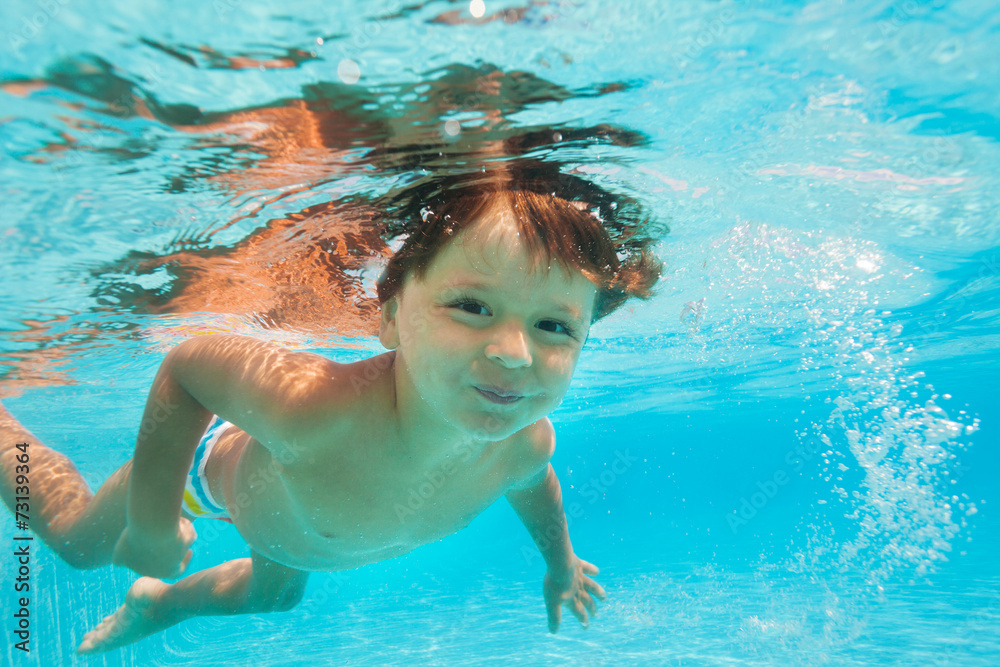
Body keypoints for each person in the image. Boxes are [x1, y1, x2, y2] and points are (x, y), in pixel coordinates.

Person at [0, 167, 663, 654]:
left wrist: (561, 562)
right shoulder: (311, 411)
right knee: (78, 542)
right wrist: (149, 522)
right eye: (472, 306)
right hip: (212, 473)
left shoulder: (525, 442)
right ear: (391, 316)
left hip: (297, 524)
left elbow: (534, 487)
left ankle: (159, 605)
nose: (515, 352)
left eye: (554, 325)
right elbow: (186, 369)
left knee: (278, 594)